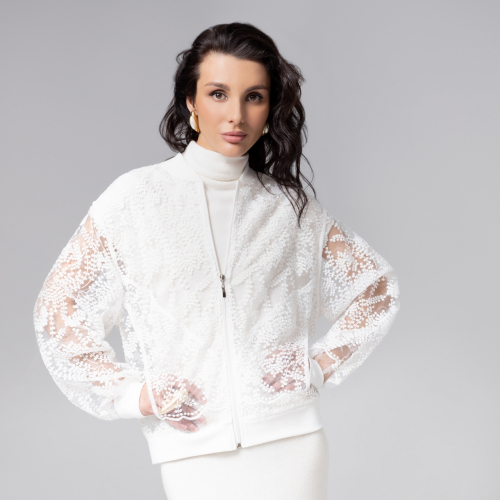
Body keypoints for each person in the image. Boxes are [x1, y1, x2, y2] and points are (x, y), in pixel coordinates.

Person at [33, 22, 400, 500]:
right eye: (218, 94)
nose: (236, 115)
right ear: (191, 102)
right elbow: (59, 308)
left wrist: (316, 365)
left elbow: (375, 290)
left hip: (291, 441)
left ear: (270, 108)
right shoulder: (134, 199)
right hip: (193, 450)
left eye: (254, 97)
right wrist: (135, 395)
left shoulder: (289, 208)